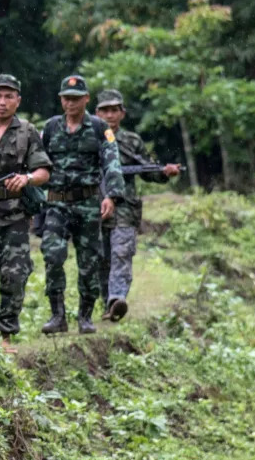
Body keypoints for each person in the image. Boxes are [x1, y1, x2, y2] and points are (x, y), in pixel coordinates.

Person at [38, 75, 125, 335]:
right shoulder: (51, 127)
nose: (71, 103)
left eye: (76, 98)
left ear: (86, 99)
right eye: (66, 98)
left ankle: (85, 316)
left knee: (89, 261)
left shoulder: (100, 128)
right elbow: (38, 162)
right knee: (52, 256)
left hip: (88, 204)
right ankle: (57, 315)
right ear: (61, 100)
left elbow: (112, 162)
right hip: (57, 204)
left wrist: (111, 195)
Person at [0, 74, 51, 348]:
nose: (2, 102)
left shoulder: (27, 131)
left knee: (13, 276)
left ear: (18, 100)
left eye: (8, 97)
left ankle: (5, 332)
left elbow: (44, 171)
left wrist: (27, 179)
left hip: (15, 216)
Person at [94, 89, 180, 321]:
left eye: (114, 110)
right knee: (101, 258)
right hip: (93, 206)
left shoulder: (131, 141)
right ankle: (106, 304)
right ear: (96, 113)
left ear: (122, 113)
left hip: (124, 207)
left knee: (121, 252)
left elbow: (147, 169)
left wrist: (164, 173)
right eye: (104, 110)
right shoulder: (87, 137)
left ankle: (116, 298)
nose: (109, 115)